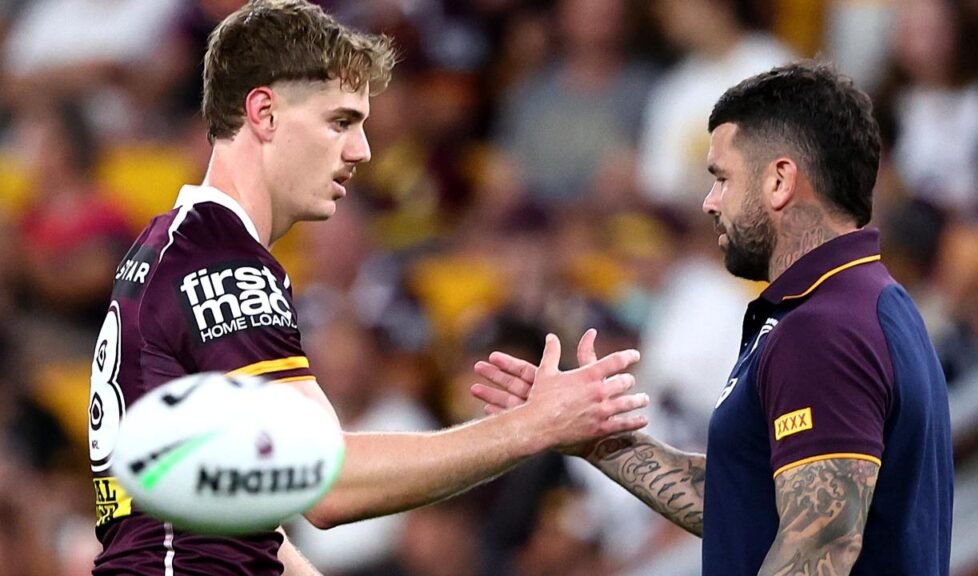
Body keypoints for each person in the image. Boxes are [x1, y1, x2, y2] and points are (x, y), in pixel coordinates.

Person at [87, 1, 650, 574]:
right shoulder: (223, 265)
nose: (362, 151)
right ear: (265, 113)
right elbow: (328, 485)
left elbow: (240, 520)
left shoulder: (170, 248)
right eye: (340, 122)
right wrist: (532, 426)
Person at [473, 61, 954, 575]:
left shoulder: (823, 329)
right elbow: (749, 503)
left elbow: (820, 549)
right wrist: (595, 438)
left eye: (722, 179)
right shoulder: (868, 302)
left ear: (779, 181)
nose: (709, 202)